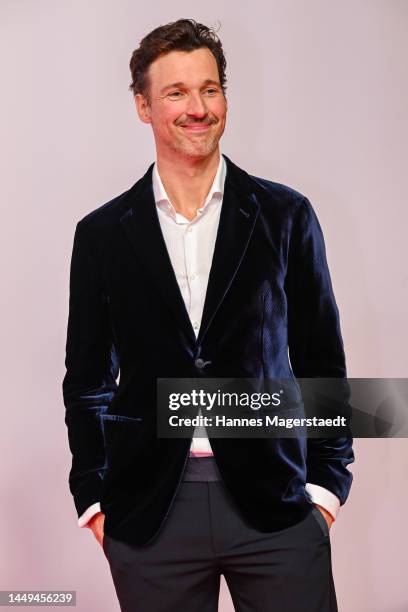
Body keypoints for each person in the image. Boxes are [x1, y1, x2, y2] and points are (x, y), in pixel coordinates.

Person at [62, 18, 354, 612]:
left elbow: (323, 359)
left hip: (275, 504)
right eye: (176, 93)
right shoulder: (101, 235)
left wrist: (326, 488)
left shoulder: (285, 215)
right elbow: (87, 379)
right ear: (144, 107)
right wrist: (94, 499)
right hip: (151, 514)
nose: (197, 108)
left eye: (210, 89)